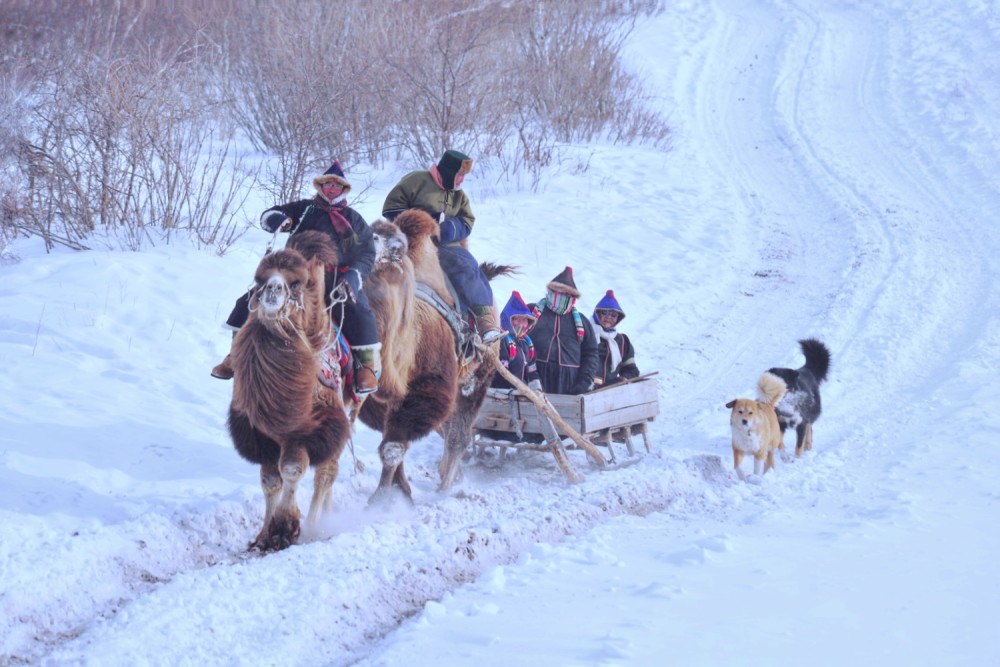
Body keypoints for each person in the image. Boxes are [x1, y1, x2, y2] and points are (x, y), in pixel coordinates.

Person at [211, 161, 382, 395]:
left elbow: (367, 253)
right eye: (327, 184)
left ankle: (366, 367)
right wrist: (278, 219)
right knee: (250, 300)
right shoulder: (304, 209)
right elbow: (271, 215)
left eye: (336, 185)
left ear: (343, 190)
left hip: (335, 280)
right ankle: (235, 354)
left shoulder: (354, 219)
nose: (331, 188)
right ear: (320, 186)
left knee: (360, 310)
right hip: (295, 276)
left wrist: (353, 276)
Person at [381, 149, 502, 342]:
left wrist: (447, 229)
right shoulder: (416, 180)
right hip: (408, 239)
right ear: (448, 172)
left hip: (444, 245)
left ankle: (483, 319)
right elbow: (391, 207)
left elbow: (467, 220)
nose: (462, 180)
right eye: (459, 175)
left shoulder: (458, 196)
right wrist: (421, 221)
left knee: (467, 266)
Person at [529, 266, 599, 395]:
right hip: (533, 377)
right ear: (551, 290)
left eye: (567, 294)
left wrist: (583, 381)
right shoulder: (532, 312)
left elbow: (591, 354)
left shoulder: (582, 322)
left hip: (568, 383)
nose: (561, 296)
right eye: (558, 291)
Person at [491, 291, 542, 391]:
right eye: (517, 319)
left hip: (521, 397)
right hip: (501, 396)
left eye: (524, 320)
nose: (521, 324)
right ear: (509, 319)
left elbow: (532, 371)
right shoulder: (500, 340)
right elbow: (500, 373)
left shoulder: (527, 344)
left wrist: (537, 390)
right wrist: (515, 390)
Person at [590, 290, 640, 388]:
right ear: (597, 313)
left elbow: (631, 370)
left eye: (614, 315)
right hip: (584, 392)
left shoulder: (623, 342)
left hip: (610, 393)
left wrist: (622, 380)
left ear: (618, 318)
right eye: (604, 313)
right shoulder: (585, 334)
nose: (609, 317)